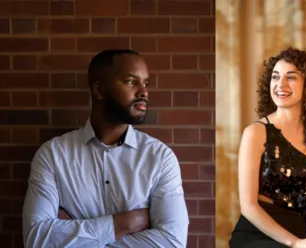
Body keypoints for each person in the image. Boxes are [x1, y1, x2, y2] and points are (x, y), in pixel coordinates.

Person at [22, 49, 189, 248]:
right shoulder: (53, 155)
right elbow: (36, 240)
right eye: (130, 81)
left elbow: (173, 242)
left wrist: (72, 235)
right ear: (99, 90)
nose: (143, 92)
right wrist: (125, 224)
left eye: (145, 83)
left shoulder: (160, 158)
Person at [229, 47, 306, 248]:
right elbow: (248, 206)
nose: (280, 84)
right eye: (275, 77)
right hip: (256, 233)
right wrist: (295, 244)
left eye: (291, 77)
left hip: (301, 231)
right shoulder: (255, 133)